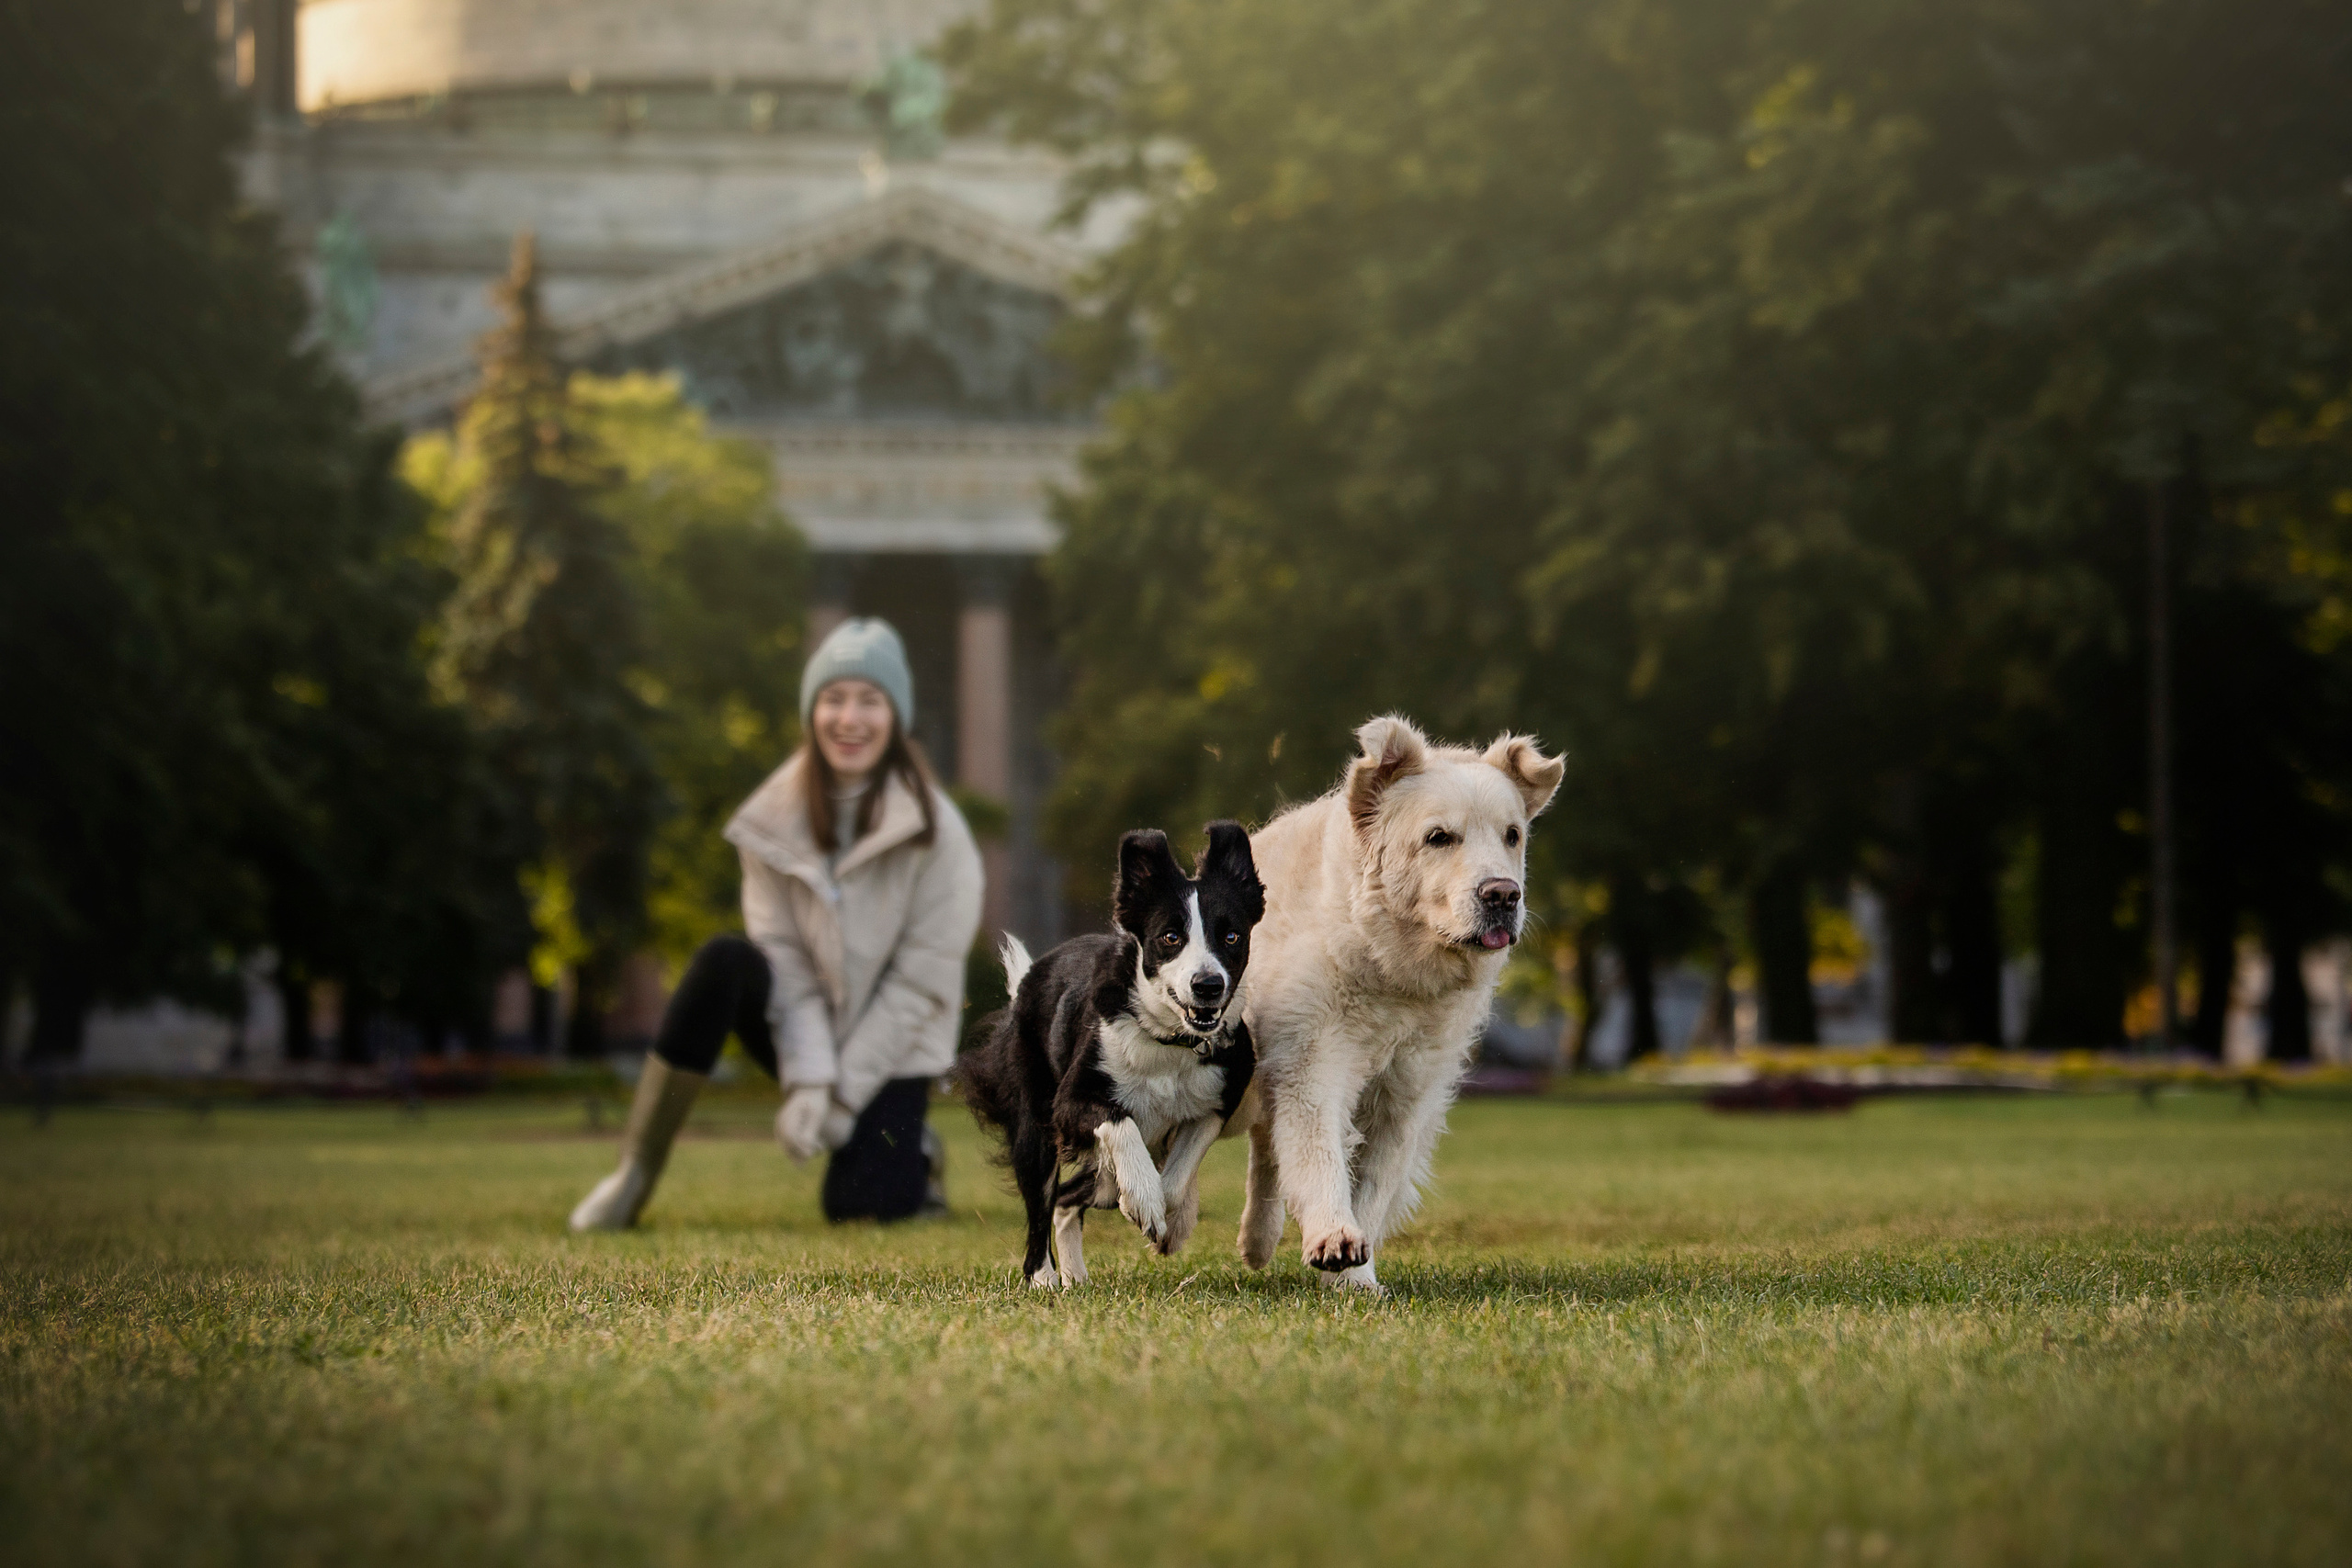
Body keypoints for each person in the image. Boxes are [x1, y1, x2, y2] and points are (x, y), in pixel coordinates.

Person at [570, 617, 984, 1230]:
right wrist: (812, 1079)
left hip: (896, 1048)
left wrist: (840, 1099)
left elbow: (917, 986)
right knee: (723, 963)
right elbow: (784, 960)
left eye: (870, 700)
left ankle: (915, 1147)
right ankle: (634, 1172)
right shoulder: (769, 820)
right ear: (811, 711)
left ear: (895, 717)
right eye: (833, 698)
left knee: (861, 1206)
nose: (850, 718)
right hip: (809, 1020)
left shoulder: (942, 834)